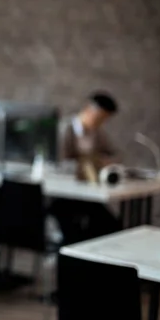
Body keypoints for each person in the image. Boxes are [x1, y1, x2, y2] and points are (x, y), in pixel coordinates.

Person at [49, 91, 122, 245]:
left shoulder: (98, 133)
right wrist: (88, 164)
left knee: (111, 226)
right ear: (89, 110)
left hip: (86, 196)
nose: (101, 123)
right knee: (75, 235)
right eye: (99, 118)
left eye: (104, 120)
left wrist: (105, 161)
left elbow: (116, 155)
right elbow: (59, 166)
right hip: (63, 196)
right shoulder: (65, 129)